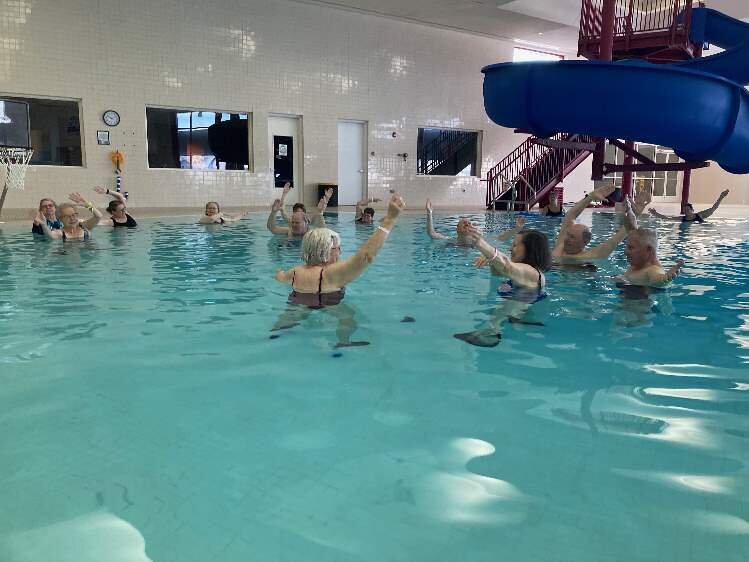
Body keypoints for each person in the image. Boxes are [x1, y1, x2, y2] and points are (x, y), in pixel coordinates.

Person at [272, 193, 405, 347]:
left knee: (283, 324)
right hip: (330, 302)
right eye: (336, 248)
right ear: (323, 250)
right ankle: (343, 342)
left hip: (298, 301)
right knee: (348, 317)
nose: (339, 251)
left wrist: (279, 272)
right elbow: (366, 256)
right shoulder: (331, 272)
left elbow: (280, 277)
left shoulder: (295, 271)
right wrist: (389, 220)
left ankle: (272, 337)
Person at [454, 223, 551, 347]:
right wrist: (492, 262)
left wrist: (479, 242)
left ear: (530, 250)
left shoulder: (533, 274)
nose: (510, 248)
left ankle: (491, 333)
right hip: (516, 315)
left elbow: (506, 266)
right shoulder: (522, 273)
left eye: (515, 245)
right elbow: (497, 275)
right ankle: (491, 331)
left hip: (524, 320)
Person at [551, 184, 649, 262]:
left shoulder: (589, 257)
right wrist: (591, 197)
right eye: (568, 235)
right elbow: (570, 216)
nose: (567, 239)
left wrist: (635, 214)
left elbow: (615, 240)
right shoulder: (561, 246)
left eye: (572, 237)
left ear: (585, 242)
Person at [267, 186, 332, 237]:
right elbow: (272, 228)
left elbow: (324, 232)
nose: (294, 225)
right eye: (293, 222)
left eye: (297, 223)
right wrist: (273, 212)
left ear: (306, 222)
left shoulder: (311, 233)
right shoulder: (289, 230)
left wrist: (321, 209)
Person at [34, 193, 102, 241]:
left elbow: (98, 216)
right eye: (67, 216)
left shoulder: (84, 227)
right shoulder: (60, 233)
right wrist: (44, 225)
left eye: (74, 215)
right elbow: (50, 236)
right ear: (60, 219)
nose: (72, 218)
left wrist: (88, 205)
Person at [648, 190, 729, 223]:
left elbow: (713, 209)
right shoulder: (682, 219)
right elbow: (666, 218)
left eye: (688, 209)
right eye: (685, 210)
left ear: (692, 210)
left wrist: (721, 197)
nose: (686, 211)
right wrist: (655, 213)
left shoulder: (699, 215)